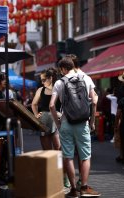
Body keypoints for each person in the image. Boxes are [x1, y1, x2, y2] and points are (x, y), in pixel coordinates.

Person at [49, 57, 100, 197]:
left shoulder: (59, 83)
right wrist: (92, 121)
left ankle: (73, 190)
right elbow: (94, 101)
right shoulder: (86, 78)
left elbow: (52, 105)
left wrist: (58, 123)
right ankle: (84, 187)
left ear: (62, 69)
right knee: (85, 156)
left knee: (68, 156)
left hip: (66, 123)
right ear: (73, 66)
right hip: (83, 123)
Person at [31, 68, 61, 150]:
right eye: (41, 80)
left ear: (50, 78)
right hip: (44, 121)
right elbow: (34, 104)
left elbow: (66, 104)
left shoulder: (59, 88)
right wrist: (36, 115)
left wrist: (62, 114)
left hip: (56, 121)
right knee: (48, 150)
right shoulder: (41, 90)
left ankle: (58, 163)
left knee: (58, 148)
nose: (42, 82)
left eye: (44, 80)